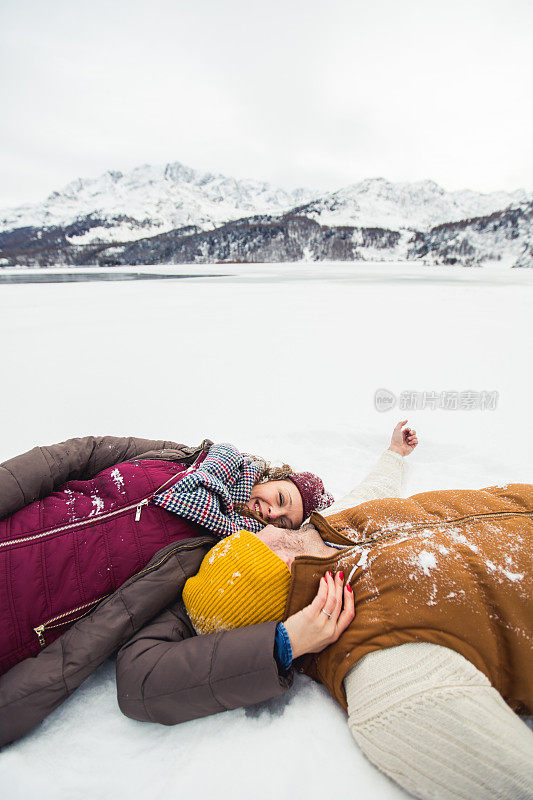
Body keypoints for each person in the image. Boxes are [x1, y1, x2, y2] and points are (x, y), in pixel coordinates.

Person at [182, 440, 533, 800]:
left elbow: (375, 488)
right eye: (252, 545)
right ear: (273, 570)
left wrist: (394, 453)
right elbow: (512, 777)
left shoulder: (323, 528)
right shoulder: (382, 666)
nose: (262, 527)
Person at [0, 426, 360, 746]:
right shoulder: (188, 459)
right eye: (280, 498)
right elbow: (76, 456)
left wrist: (282, 644)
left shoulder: (214, 561)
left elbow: (142, 678)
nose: (270, 513)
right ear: (271, 476)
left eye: (283, 521)